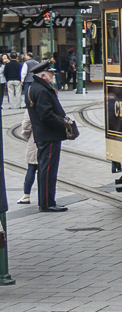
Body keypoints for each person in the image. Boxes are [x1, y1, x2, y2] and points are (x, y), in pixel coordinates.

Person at [26, 61, 69, 212]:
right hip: (48, 135)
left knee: (46, 169)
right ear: (43, 75)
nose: (53, 75)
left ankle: (47, 201)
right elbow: (46, 115)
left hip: (43, 134)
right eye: (50, 73)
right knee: (48, 170)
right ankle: (47, 203)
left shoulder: (34, 87)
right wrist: (63, 125)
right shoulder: (42, 90)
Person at [17, 115, 38, 204]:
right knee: (44, 171)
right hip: (47, 140)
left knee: (31, 167)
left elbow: (26, 125)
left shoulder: (31, 103)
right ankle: (44, 196)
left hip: (34, 140)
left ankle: (26, 195)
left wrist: (27, 136)